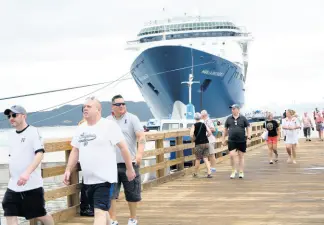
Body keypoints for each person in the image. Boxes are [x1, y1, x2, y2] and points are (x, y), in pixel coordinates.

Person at [63, 97, 136, 225]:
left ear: (98, 110)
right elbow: (75, 150)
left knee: (99, 213)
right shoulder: (81, 128)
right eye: (84, 107)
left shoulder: (108, 125)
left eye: (89, 106)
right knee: (103, 211)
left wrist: (129, 168)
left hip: (105, 179)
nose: (85, 108)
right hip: (88, 180)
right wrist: (68, 169)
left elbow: (123, 148)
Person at [2, 105, 54, 225]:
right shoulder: (11, 135)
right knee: (9, 211)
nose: (11, 118)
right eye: (9, 116)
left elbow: (40, 154)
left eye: (14, 115)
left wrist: (27, 173)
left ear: (24, 116)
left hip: (31, 185)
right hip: (13, 185)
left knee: (41, 214)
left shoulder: (33, 132)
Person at [107, 95, 145, 225]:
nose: (122, 106)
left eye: (123, 103)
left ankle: (133, 218)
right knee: (111, 193)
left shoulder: (132, 118)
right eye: (118, 104)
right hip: (111, 163)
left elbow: (141, 137)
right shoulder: (107, 121)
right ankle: (113, 219)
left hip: (130, 162)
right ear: (113, 107)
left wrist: (139, 154)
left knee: (132, 193)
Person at [222, 104, 251, 179]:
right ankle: (233, 170)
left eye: (234, 108)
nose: (232, 110)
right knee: (232, 155)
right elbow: (225, 129)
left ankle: (241, 171)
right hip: (231, 140)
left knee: (241, 156)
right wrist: (223, 139)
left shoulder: (243, 118)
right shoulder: (228, 119)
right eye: (232, 109)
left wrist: (249, 138)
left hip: (241, 140)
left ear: (238, 110)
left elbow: (248, 127)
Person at [190, 112, 212, 178]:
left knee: (198, 159)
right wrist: (205, 136)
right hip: (206, 143)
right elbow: (210, 132)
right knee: (206, 158)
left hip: (199, 144)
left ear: (195, 118)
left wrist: (194, 138)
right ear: (200, 117)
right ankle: (209, 173)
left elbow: (191, 134)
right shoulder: (204, 124)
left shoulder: (194, 125)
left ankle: (195, 173)